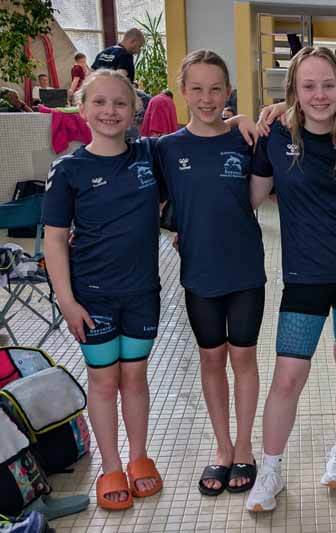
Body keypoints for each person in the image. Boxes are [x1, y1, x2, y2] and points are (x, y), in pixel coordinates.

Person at [247, 46, 336, 512]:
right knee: (288, 375)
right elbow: (250, 199)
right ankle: (270, 469)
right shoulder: (275, 136)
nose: (319, 95)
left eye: (328, 85)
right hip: (304, 277)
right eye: (309, 86)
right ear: (294, 92)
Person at [42, 69, 164, 511]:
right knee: (103, 379)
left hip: (142, 293)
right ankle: (111, 465)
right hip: (92, 296)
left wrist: (242, 118)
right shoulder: (68, 170)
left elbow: (200, 136)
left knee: (135, 376)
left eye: (120, 103)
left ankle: (139, 456)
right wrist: (67, 301)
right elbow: (55, 239)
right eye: (99, 102)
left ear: (134, 111)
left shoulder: (149, 155)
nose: (110, 111)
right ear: (82, 108)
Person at [156, 50, 266, 497]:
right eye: (197, 89)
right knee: (211, 358)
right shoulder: (166, 149)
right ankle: (222, 447)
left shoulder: (246, 140)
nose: (207, 98)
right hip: (199, 273)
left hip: (245, 270)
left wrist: (243, 119)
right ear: (182, 91)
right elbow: (145, 198)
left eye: (216, 89)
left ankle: (245, 446)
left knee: (243, 358)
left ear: (228, 91)